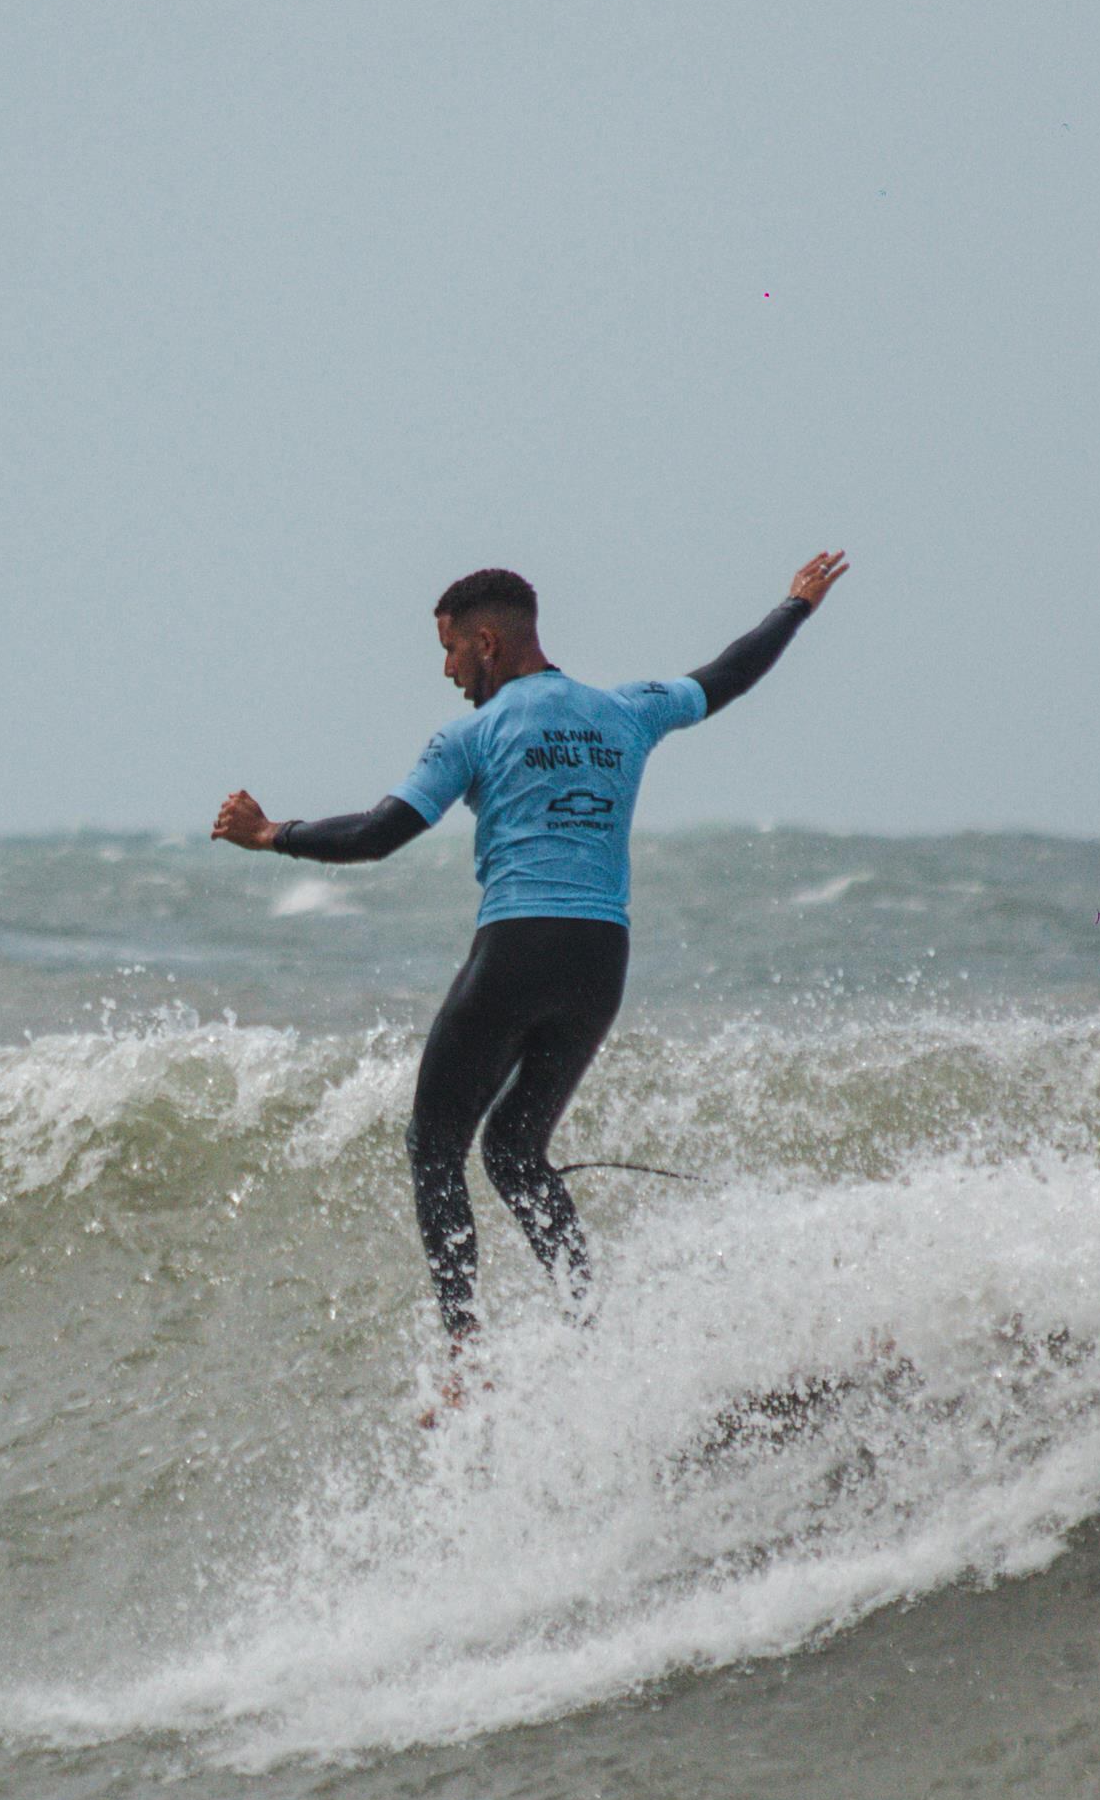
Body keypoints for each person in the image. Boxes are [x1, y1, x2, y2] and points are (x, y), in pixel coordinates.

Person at [213, 551, 848, 1345]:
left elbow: (378, 835)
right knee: (513, 1151)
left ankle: (464, 1347)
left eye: (448, 650)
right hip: (599, 963)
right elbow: (727, 675)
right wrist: (794, 607)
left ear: (485, 643)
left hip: (516, 948)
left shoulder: (472, 733)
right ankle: (589, 1321)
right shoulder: (628, 710)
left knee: (435, 1144)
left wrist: (274, 833)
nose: (445, 672)